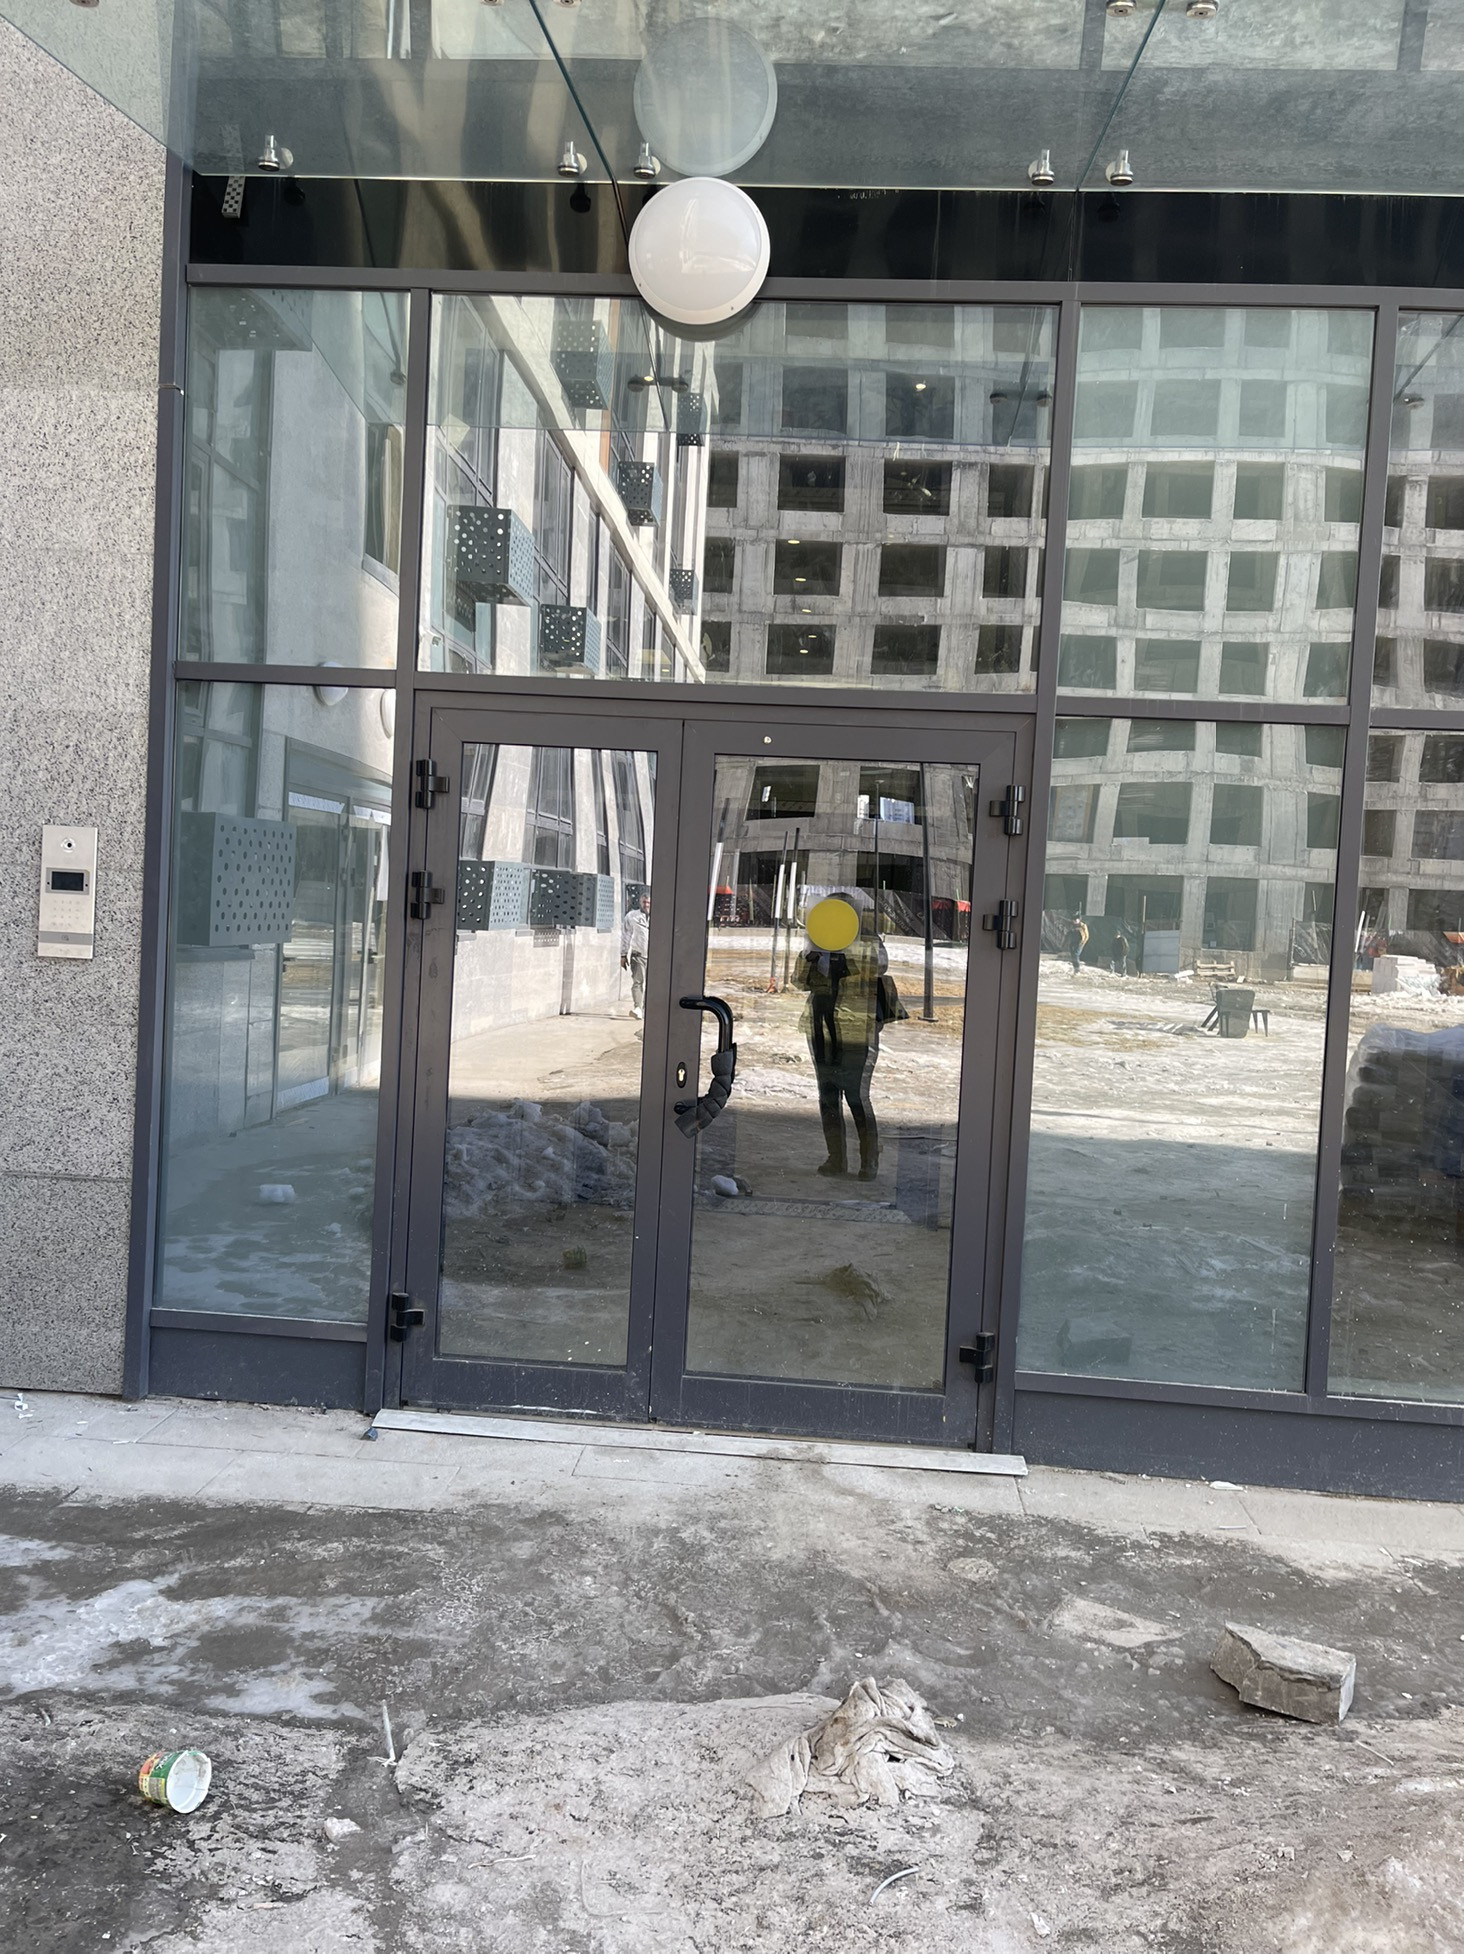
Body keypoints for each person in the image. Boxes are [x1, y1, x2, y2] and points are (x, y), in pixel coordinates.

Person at [793, 893, 898, 1182]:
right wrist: (810, 958)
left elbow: (877, 967)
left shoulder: (867, 941)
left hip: (857, 1028)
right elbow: (799, 982)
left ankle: (869, 1158)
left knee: (856, 1095)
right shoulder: (816, 941)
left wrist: (844, 950)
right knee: (828, 1095)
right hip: (821, 1026)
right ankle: (836, 1158)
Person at [620, 890, 650, 1018]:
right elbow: (625, 936)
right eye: (644, 902)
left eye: (648, 902)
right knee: (638, 981)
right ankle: (638, 1008)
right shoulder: (632, 916)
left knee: (653, 984)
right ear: (640, 902)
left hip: (655, 956)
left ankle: (648, 1009)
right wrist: (623, 954)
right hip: (638, 955)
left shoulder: (660, 916)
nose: (646, 905)